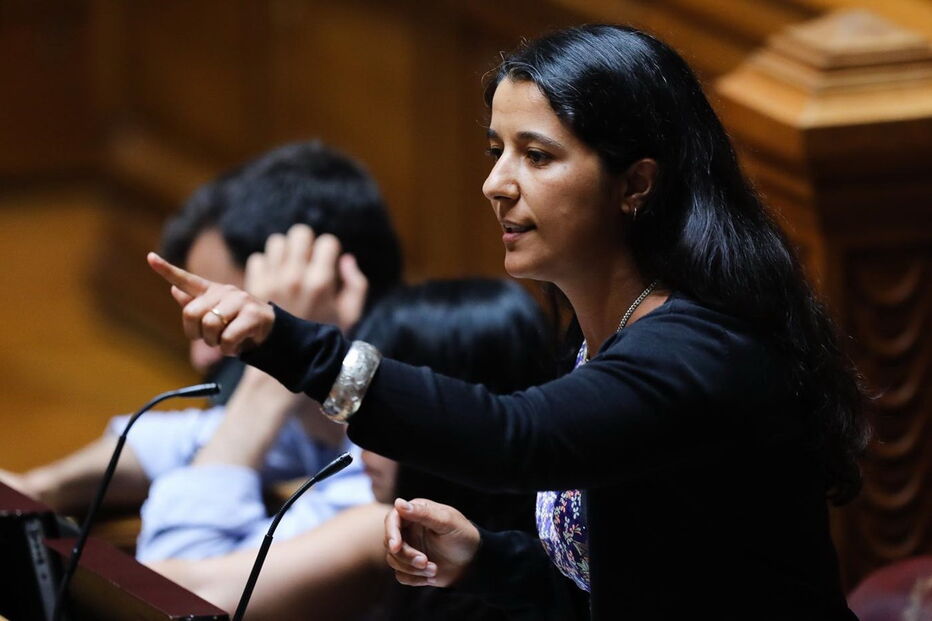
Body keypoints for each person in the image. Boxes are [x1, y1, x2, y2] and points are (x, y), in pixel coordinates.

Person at [147, 24, 868, 619]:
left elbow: (513, 435)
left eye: (537, 155)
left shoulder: (699, 350)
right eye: (498, 151)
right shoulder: (598, 340)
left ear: (635, 184)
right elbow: (635, 583)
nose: (496, 182)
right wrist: (487, 559)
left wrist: (290, 341)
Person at [2, 141, 403, 561]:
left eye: (231, 319)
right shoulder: (323, 418)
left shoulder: (385, 476)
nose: (203, 355)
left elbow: (176, 581)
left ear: (324, 288)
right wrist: (40, 488)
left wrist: (275, 367)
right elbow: (175, 442)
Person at [148, 278, 584, 620]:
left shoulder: (391, 529)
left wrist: (263, 386)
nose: (360, 441)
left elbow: (179, 599)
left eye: (385, 408)